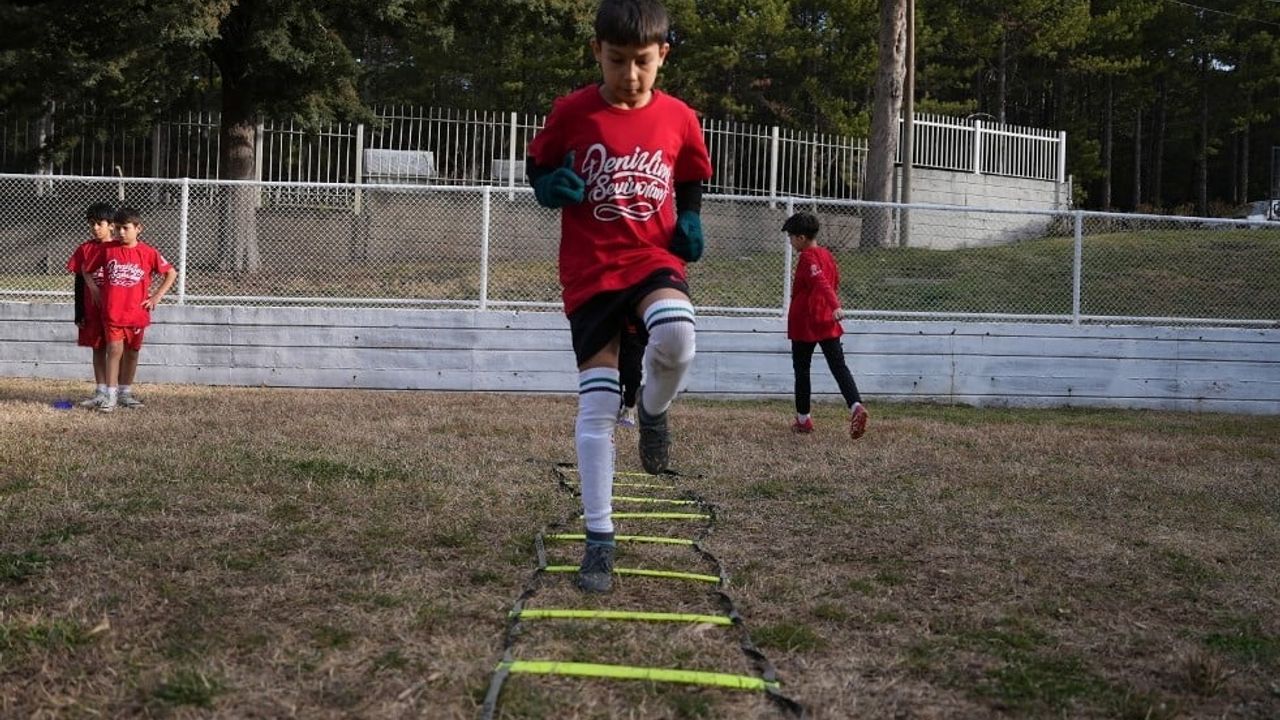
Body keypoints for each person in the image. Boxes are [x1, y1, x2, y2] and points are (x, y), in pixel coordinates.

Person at [526, 0, 712, 593]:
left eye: (641, 62)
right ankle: (599, 540)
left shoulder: (680, 116)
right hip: (589, 273)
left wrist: (691, 219)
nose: (629, 76)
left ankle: (654, 412)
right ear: (596, 53)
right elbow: (538, 167)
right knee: (598, 406)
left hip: (652, 259)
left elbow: (690, 174)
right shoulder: (573, 112)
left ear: (663, 55)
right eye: (615, 61)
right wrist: (550, 186)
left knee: (678, 336)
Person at [82, 207, 178, 413]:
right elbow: (86, 269)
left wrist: (156, 296)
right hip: (112, 312)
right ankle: (111, 394)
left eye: (125, 228)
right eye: (117, 229)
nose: (121, 233)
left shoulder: (148, 252)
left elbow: (171, 273)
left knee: (132, 353)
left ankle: (125, 392)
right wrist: (94, 290)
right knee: (114, 351)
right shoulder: (108, 250)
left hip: (136, 314)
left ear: (138, 228)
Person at [783, 211, 868, 440]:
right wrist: (831, 309)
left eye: (791, 237)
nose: (790, 241)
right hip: (827, 322)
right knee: (839, 367)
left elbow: (821, 282)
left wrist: (835, 305)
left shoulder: (809, 257)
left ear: (801, 237)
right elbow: (834, 280)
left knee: (802, 370)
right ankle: (856, 406)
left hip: (806, 322)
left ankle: (803, 420)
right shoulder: (827, 255)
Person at [66, 202, 117, 408]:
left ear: (111, 225)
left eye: (100, 223)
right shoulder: (85, 249)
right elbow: (79, 282)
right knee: (97, 349)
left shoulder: (118, 248)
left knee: (116, 349)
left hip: (114, 309)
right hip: (91, 310)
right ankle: (100, 391)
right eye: (92, 224)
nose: (95, 228)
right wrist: (79, 312)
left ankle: (117, 391)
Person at [615, 319, 645, 428]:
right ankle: (614, 408)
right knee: (612, 371)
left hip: (634, 331)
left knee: (633, 371)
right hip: (612, 331)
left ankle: (629, 407)